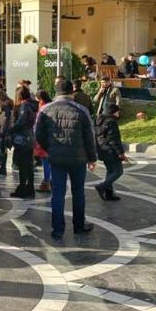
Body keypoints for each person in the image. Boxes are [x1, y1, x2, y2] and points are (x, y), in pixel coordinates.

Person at [35, 77, 97, 241]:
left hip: (56, 158)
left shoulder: (45, 109)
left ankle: (57, 230)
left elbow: (38, 133)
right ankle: (79, 225)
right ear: (72, 92)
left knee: (58, 194)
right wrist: (92, 158)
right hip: (78, 158)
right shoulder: (81, 110)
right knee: (78, 193)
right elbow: (89, 136)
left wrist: (50, 148)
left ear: (57, 92)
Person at [94, 103, 127, 200]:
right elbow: (114, 139)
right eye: (118, 112)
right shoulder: (111, 122)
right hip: (111, 151)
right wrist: (120, 153)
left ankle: (109, 194)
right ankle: (102, 186)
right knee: (118, 171)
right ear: (114, 112)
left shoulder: (98, 120)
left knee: (110, 171)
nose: (118, 114)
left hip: (102, 149)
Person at [10, 85, 36, 198]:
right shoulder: (32, 105)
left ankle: (23, 188)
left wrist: (11, 129)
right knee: (28, 165)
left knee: (23, 165)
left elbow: (20, 122)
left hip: (22, 139)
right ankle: (30, 187)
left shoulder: (24, 106)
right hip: (29, 137)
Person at [34, 90, 52, 193]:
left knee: (45, 161)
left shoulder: (42, 107)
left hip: (43, 138)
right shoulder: (51, 105)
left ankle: (46, 182)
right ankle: (50, 181)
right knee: (50, 161)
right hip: (52, 138)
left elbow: (38, 125)